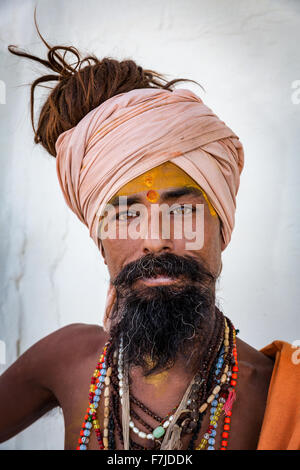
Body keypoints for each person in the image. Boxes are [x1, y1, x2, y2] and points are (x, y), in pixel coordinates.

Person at [1, 29, 299, 450]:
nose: (155, 241)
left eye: (182, 210)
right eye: (126, 214)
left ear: (222, 225)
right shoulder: (67, 360)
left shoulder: (280, 393)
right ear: (100, 237)